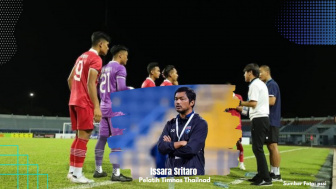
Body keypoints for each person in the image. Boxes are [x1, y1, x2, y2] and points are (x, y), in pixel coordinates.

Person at [67, 31, 110, 184]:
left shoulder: (82, 56)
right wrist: (96, 106)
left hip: (74, 101)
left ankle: (72, 172)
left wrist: (76, 94)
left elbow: (70, 79)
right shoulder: (96, 59)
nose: (108, 47)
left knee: (79, 137)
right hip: (84, 102)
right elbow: (91, 83)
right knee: (84, 137)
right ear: (100, 44)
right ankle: (77, 175)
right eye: (107, 45)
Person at [94, 45, 133, 182]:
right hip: (115, 107)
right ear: (120, 55)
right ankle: (116, 173)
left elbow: (99, 89)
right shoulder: (120, 68)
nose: (127, 58)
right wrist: (130, 89)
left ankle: (98, 170)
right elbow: (121, 88)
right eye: (126, 56)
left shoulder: (103, 68)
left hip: (103, 105)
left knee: (102, 138)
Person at [158, 87, 208, 175]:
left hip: (192, 174)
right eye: (176, 99)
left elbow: (191, 150)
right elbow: (161, 148)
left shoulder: (200, 123)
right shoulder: (170, 124)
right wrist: (179, 143)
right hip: (172, 174)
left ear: (192, 102)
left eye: (182, 99)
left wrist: (170, 147)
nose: (178, 102)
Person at [239, 63, 272, 186]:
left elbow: (253, 103)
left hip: (259, 118)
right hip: (261, 118)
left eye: (245, 73)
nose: (244, 75)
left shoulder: (254, 84)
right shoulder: (259, 84)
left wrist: (239, 102)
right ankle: (260, 175)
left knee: (257, 148)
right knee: (257, 148)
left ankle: (266, 178)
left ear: (250, 72)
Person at [259, 65, 282, 182]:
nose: (259, 75)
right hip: (270, 119)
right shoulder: (268, 85)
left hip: (271, 120)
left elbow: (272, 101)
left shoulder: (271, 84)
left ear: (267, 72)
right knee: (270, 146)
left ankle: (277, 173)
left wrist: (257, 101)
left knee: (273, 146)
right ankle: (273, 171)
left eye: (261, 72)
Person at [225, 91, 245, 170]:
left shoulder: (238, 97)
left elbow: (244, 110)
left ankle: (242, 162)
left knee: (238, 143)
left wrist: (234, 105)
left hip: (237, 124)